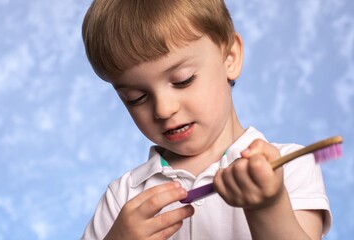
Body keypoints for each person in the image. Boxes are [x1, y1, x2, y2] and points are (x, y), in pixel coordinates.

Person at [81, 0, 331, 239]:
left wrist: (268, 206)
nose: (164, 110)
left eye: (183, 80)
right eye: (136, 97)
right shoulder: (123, 196)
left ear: (230, 58)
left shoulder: (288, 168)